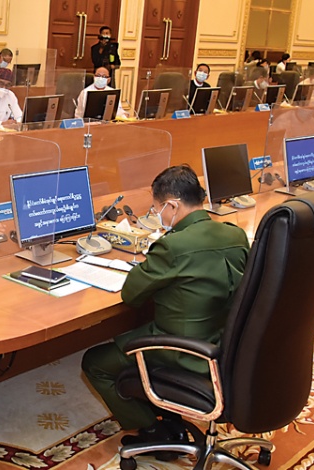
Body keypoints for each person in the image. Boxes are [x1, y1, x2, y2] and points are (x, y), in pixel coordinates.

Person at [82, 165, 250, 448]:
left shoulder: (173, 246)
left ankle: (151, 430)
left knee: (94, 363)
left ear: (172, 205)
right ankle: (167, 413)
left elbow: (132, 296)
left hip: (183, 350)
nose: (156, 215)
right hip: (226, 341)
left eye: (156, 208)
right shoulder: (235, 235)